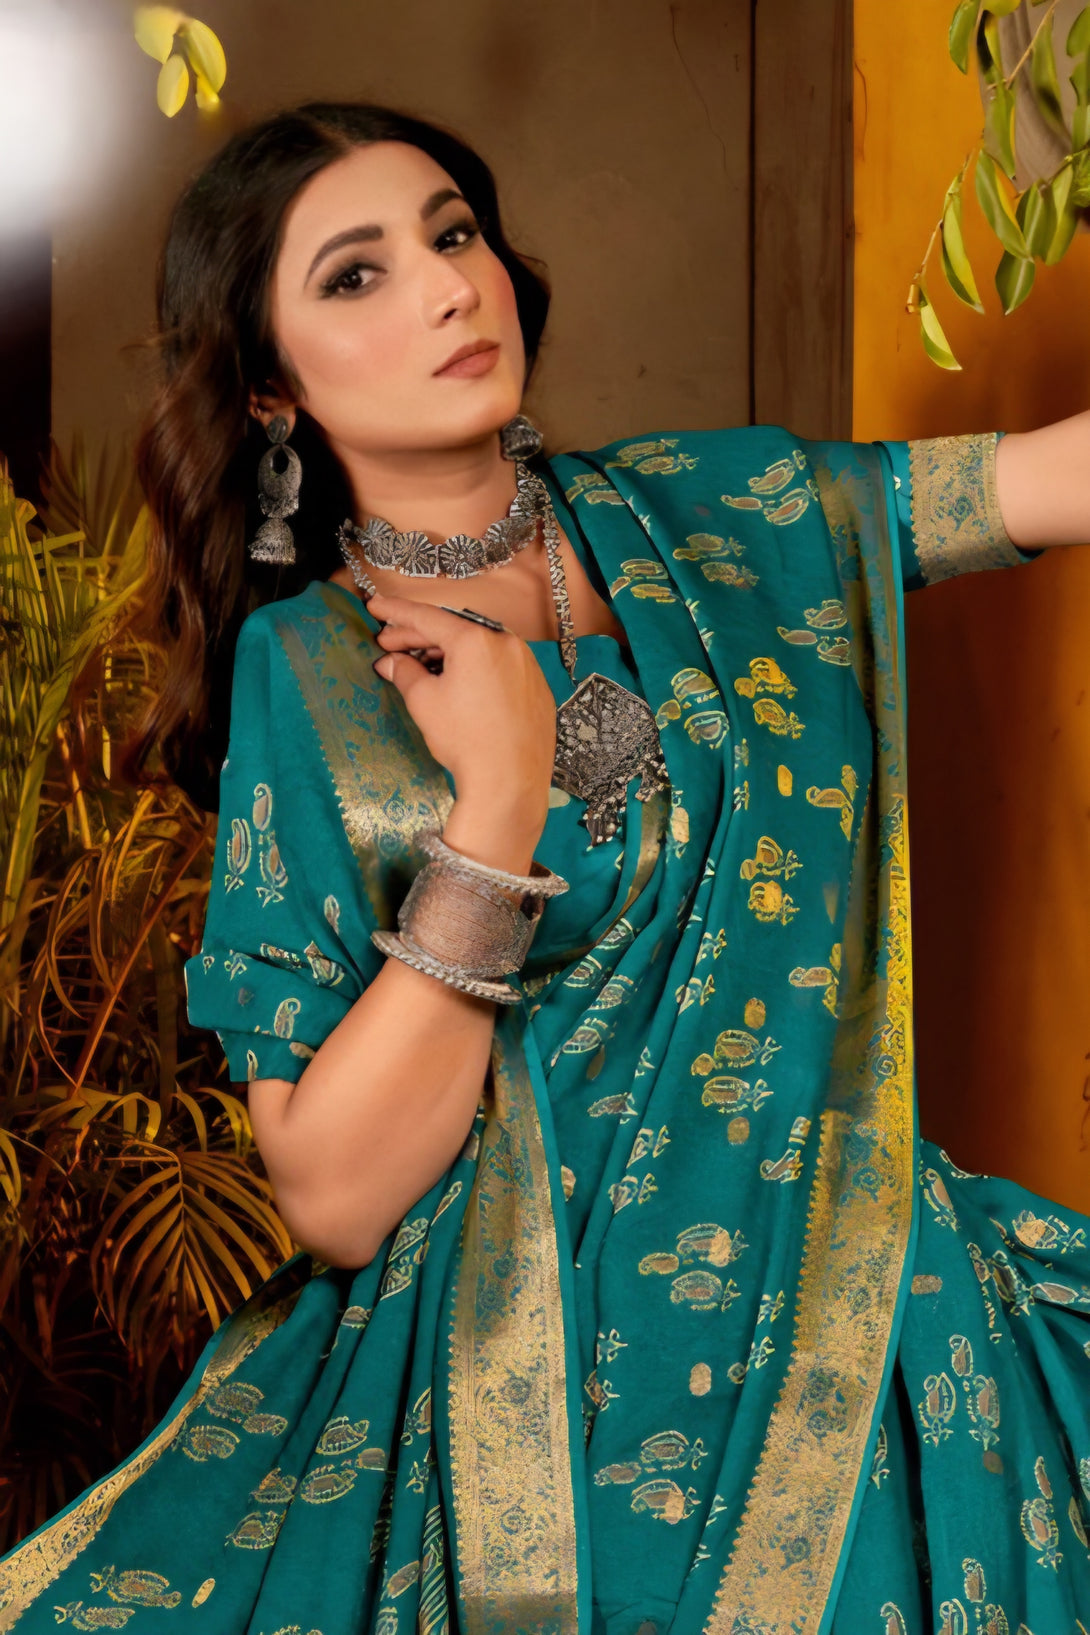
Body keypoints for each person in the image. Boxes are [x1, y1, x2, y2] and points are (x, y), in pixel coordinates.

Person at [1, 100, 1088, 1635]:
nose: (449, 286)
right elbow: (333, 1194)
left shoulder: (722, 519)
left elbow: (1047, 479)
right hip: (533, 1384)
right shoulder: (313, 675)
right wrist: (499, 807)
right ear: (267, 388)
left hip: (859, 1315)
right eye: (357, 274)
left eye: (452, 233)